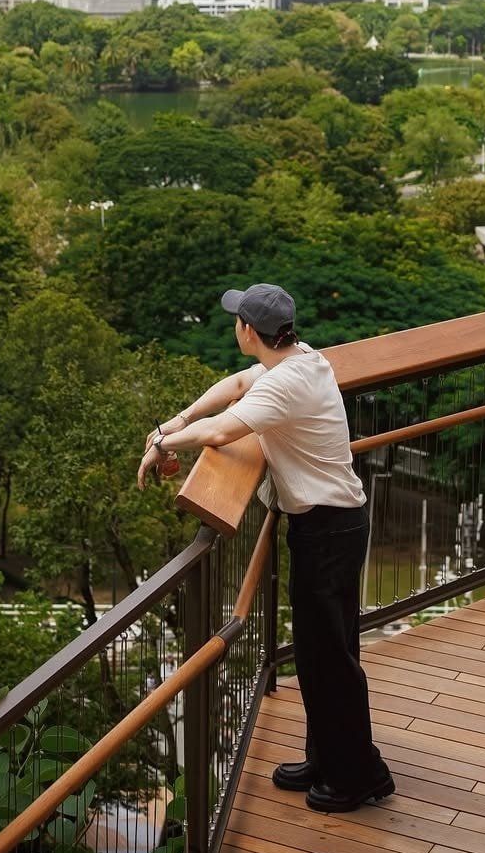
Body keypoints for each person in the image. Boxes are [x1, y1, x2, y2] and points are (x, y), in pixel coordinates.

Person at [137, 282, 393, 814]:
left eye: (237, 319)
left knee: (330, 659)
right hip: (327, 525)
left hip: (330, 528)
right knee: (318, 652)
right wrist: (176, 422)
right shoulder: (293, 362)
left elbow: (222, 432)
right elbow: (233, 386)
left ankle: (361, 776)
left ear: (249, 331)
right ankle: (327, 758)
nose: (235, 326)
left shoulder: (286, 383)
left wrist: (162, 445)